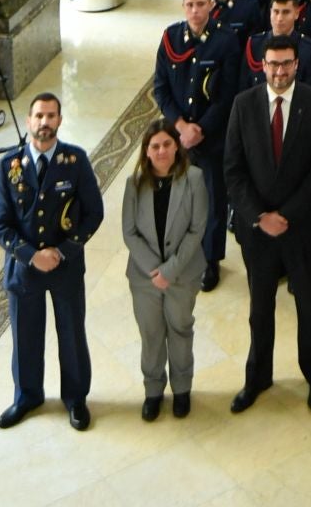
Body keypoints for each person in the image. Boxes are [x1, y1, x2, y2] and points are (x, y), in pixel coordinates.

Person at [222, 35, 311, 413]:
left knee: (309, 305)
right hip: (258, 232)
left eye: (286, 63)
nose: (280, 71)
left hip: (300, 228)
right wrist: (258, 217)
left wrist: (287, 215)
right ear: (262, 66)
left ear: (297, 65)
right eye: (273, 64)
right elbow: (233, 171)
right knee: (260, 308)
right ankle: (257, 377)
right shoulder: (243, 105)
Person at [0, 92, 104, 431]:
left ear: (59, 120)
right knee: (25, 336)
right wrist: (30, 255)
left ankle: (76, 398)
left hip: (65, 268)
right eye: (38, 116)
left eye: (51, 115)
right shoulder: (8, 166)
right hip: (24, 270)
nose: (44, 122)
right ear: (28, 121)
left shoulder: (75, 161)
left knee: (71, 333)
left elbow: (93, 213)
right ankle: (27, 396)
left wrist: (63, 251)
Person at [152, 0, 240, 290]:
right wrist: (181, 127)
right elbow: (160, 88)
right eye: (189, 4)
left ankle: (210, 260)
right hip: (178, 138)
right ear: (183, 6)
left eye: (201, 4)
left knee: (213, 201)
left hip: (211, 137)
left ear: (211, 5)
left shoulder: (226, 42)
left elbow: (228, 94)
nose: (195, 10)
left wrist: (199, 129)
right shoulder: (171, 38)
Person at [121, 119, 208, 419]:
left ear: (177, 146)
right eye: (154, 146)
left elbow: (197, 230)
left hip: (182, 275)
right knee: (151, 333)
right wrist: (154, 270)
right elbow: (129, 231)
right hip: (144, 278)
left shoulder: (194, 179)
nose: (161, 151)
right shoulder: (134, 184)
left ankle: (182, 388)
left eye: (167, 144)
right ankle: (153, 391)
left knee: (180, 329)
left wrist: (169, 270)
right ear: (146, 151)